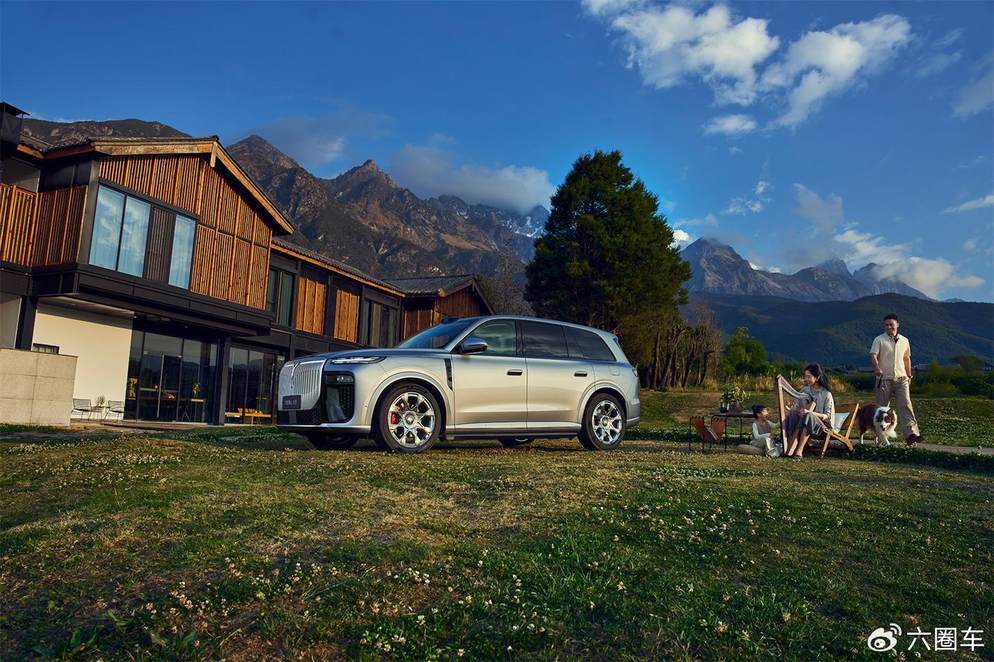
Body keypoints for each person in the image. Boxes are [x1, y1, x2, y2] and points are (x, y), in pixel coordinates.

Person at [870, 313, 922, 445]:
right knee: (882, 409)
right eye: (886, 325)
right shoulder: (879, 340)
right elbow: (873, 355)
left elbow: (906, 358)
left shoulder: (905, 340)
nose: (889, 327)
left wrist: (909, 375)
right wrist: (877, 369)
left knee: (906, 405)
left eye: (891, 325)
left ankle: (911, 435)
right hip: (884, 379)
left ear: (897, 324)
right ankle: (880, 438)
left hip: (901, 378)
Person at [784, 364, 836, 460]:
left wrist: (810, 413)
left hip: (823, 427)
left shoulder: (826, 394)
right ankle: (789, 445)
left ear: (817, 377)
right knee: (793, 415)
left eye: (809, 377)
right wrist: (790, 410)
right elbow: (797, 408)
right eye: (805, 376)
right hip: (805, 423)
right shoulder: (805, 390)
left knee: (808, 416)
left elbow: (827, 416)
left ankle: (799, 450)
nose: (806, 379)